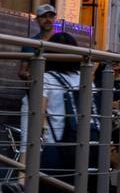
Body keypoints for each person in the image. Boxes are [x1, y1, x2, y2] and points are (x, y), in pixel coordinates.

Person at [24, 33, 88, 189]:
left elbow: (37, 117)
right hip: (82, 147)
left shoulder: (46, 79)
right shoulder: (85, 78)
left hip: (53, 148)